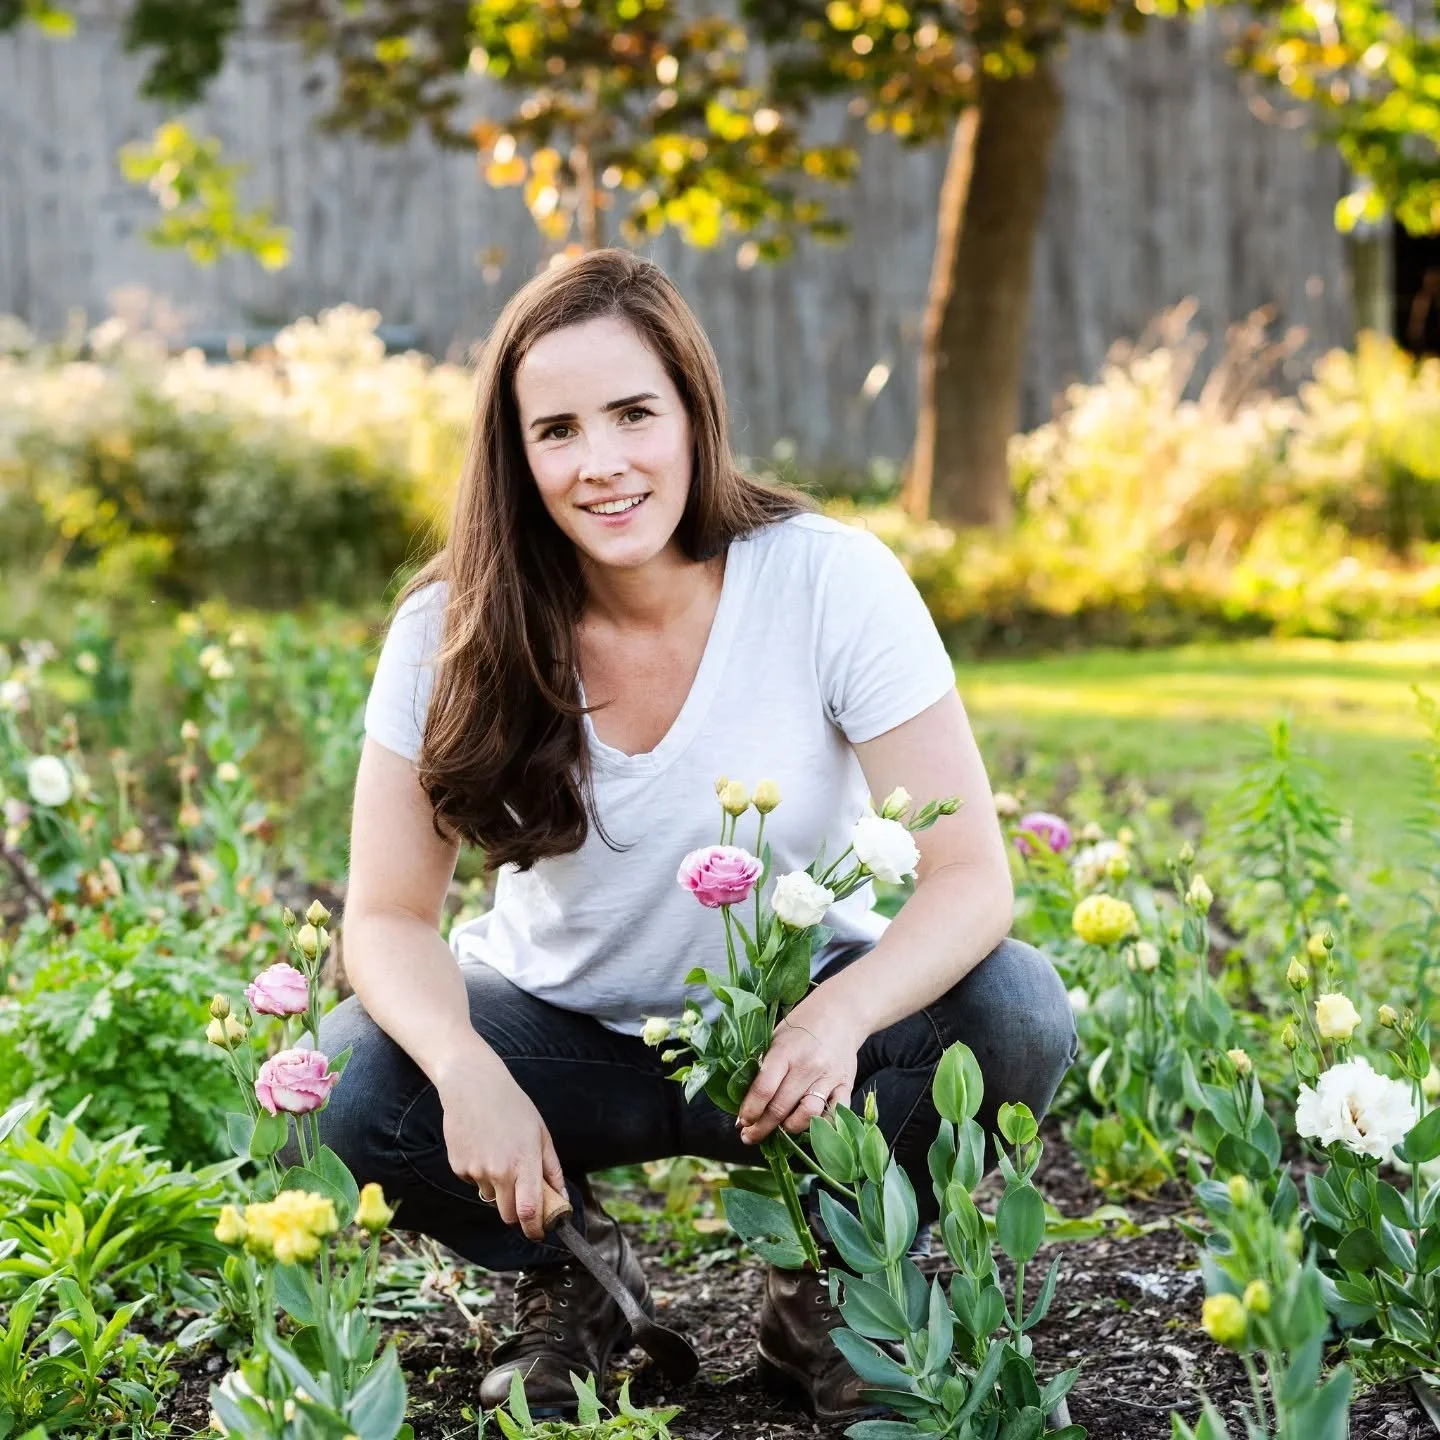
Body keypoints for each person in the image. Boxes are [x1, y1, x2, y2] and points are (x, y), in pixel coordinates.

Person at [315, 248, 1076, 1423]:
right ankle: (570, 1275)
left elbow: (971, 877)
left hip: (792, 1036)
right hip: (564, 1036)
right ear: (516, 454)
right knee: (359, 1088)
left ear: (694, 413)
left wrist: (841, 1013)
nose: (603, 463)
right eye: (558, 429)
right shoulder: (450, 627)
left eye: (633, 414)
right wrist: (470, 1071)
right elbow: (387, 917)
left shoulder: (826, 580)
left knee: (1013, 1010)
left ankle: (831, 1284)